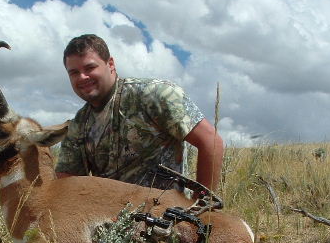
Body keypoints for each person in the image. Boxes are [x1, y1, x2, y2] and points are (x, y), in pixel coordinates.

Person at [56, 34, 223, 193]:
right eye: (74, 72)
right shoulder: (78, 125)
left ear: (111, 64)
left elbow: (210, 141)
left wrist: (202, 205)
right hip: (110, 218)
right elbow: (67, 183)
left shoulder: (154, 95)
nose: (82, 77)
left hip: (167, 217)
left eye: (90, 67)